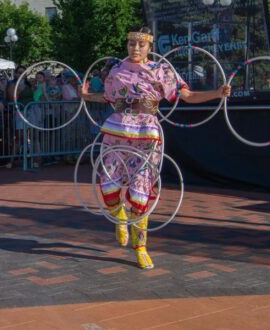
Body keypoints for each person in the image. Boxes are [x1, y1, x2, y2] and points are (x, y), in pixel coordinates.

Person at [81, 27, 230, 269]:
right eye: (131, 44)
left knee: (140, 193)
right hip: (116, 132)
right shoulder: (116, 70)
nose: (135, 48)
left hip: (146, 135)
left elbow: (187, 95)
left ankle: (140, 248)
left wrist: (216, 93)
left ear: (149, 48)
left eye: (140, 45)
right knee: (108, 185)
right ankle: (119, 215)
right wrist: (86, 96)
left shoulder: (160, 71)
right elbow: (107, 98)